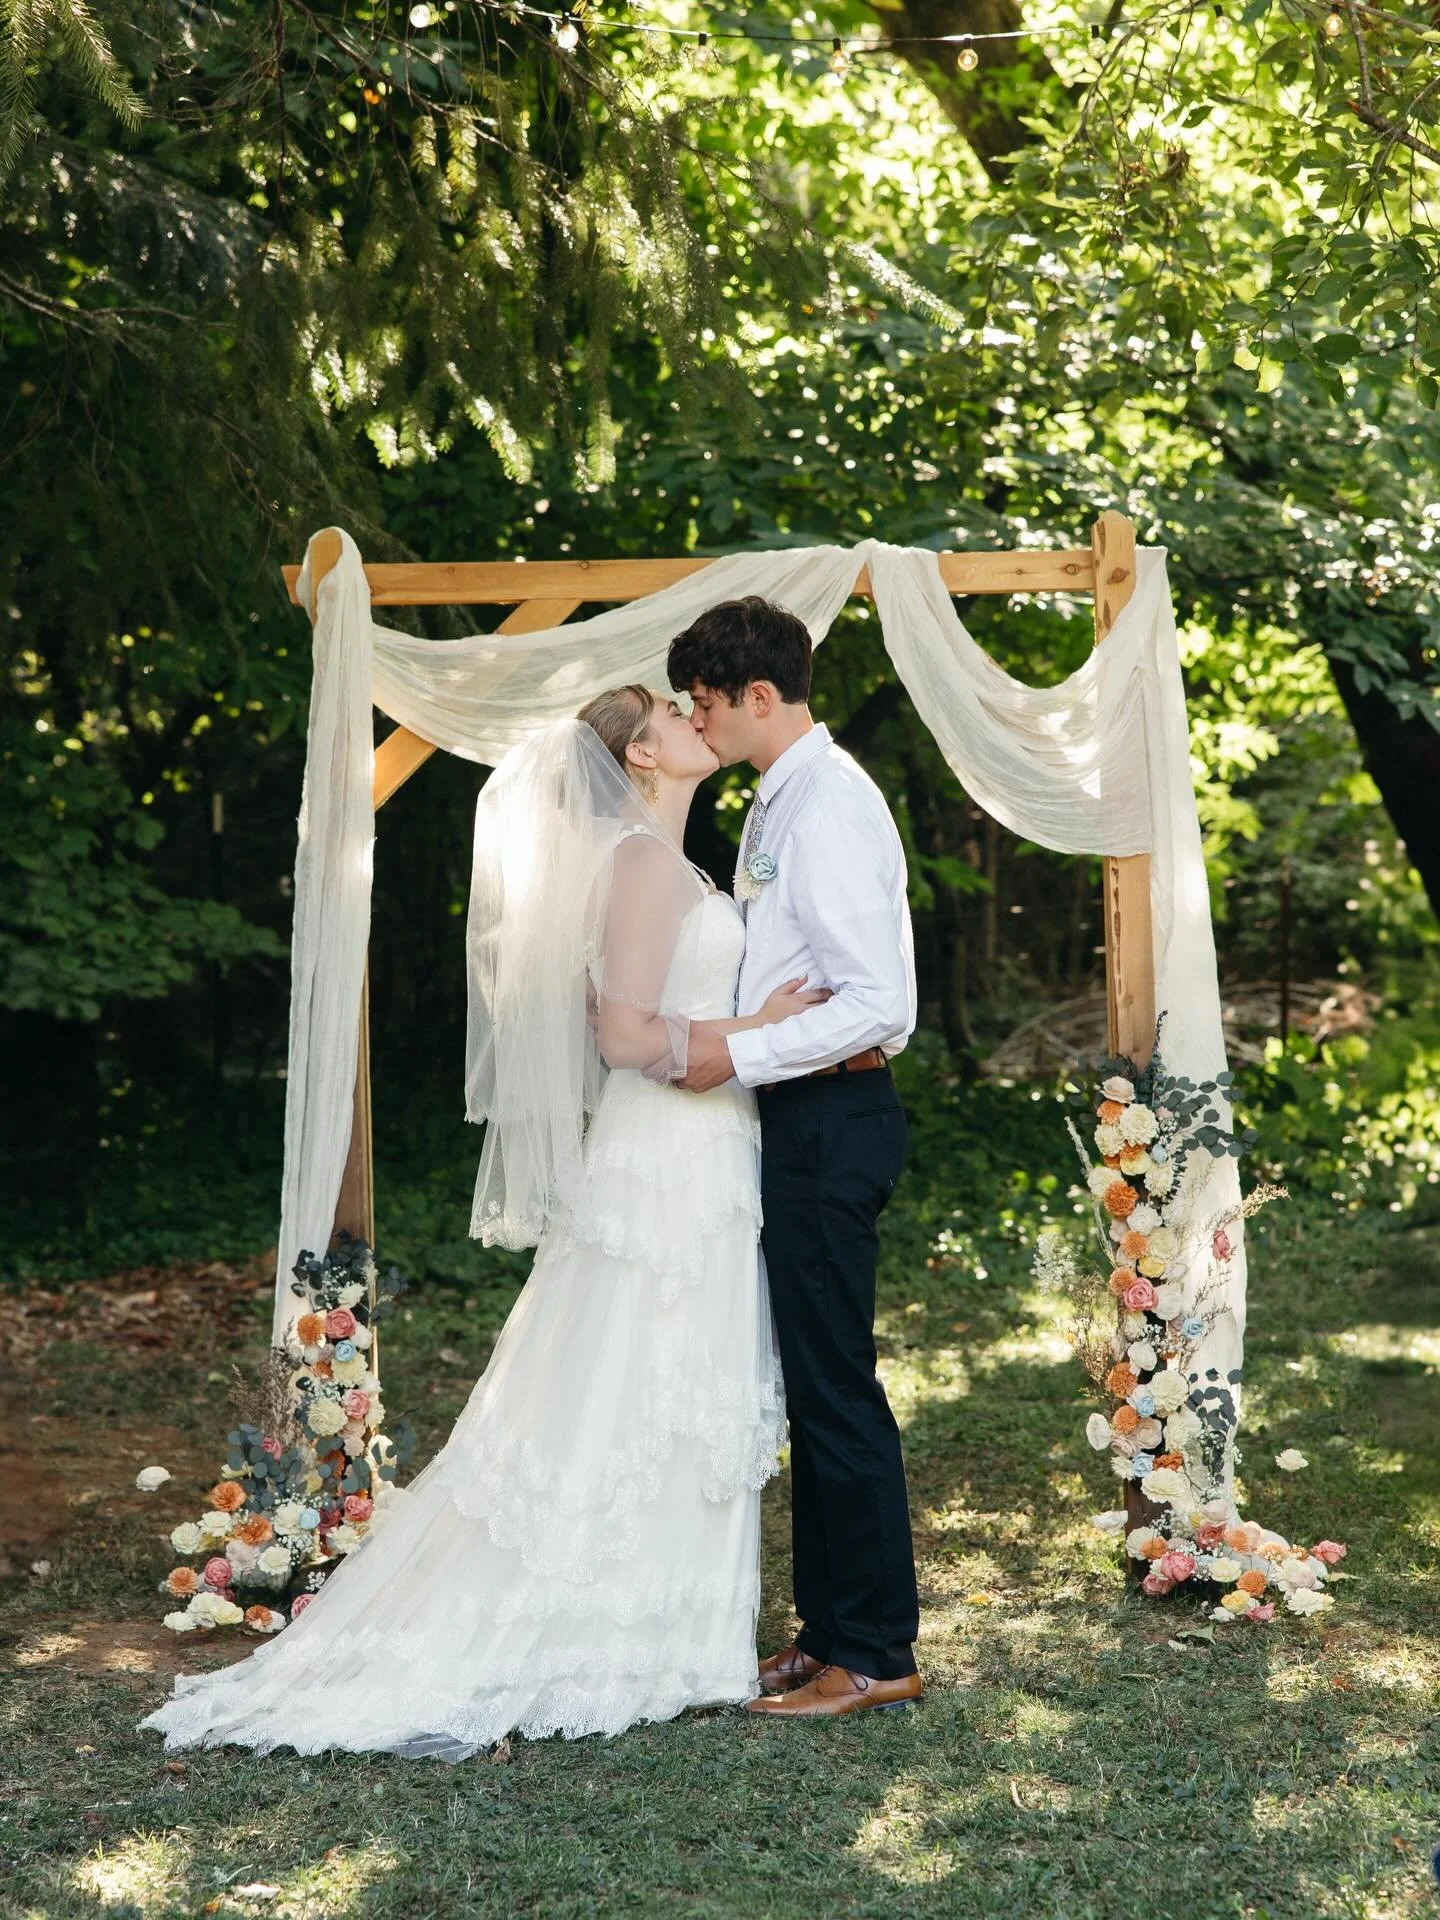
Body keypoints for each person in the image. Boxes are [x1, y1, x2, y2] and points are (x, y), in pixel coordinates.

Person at [141, 687, 825, 1758]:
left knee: (672, 1381)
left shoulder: (673, 860)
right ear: (641, 753)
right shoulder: (641, 866)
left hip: (706, 1146)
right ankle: (621, 1636)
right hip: (666, 1149)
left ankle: (682, 1635)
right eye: (677, 715)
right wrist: (764, 1025)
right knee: (633, 1377)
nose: (702, 719)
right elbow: (626, 1033)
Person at [666, 595, 922, 1720]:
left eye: (705, 702)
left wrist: (742, 1052)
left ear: (759, 697)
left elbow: (878, 1001)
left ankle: (875, 1652)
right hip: (804, 1113)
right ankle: (828, 1633)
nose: (695, 720)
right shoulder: (783, 797)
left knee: (836, 1391)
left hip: (834, 1113)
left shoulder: (829, 806)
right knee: (812, 1387)